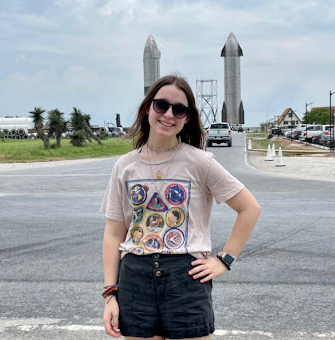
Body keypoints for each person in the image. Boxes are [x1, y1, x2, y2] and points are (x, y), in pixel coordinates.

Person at [101, 75, 261, 339]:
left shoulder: (200, 162)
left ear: (187, 117)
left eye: (179, 109)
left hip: (186, 278)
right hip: (135, 278)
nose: (169, 114)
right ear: (147, 108)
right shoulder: (124, 166)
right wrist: (110, 294)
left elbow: (250, 208)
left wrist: (225, 259)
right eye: (161, 105)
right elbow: (113, 233)